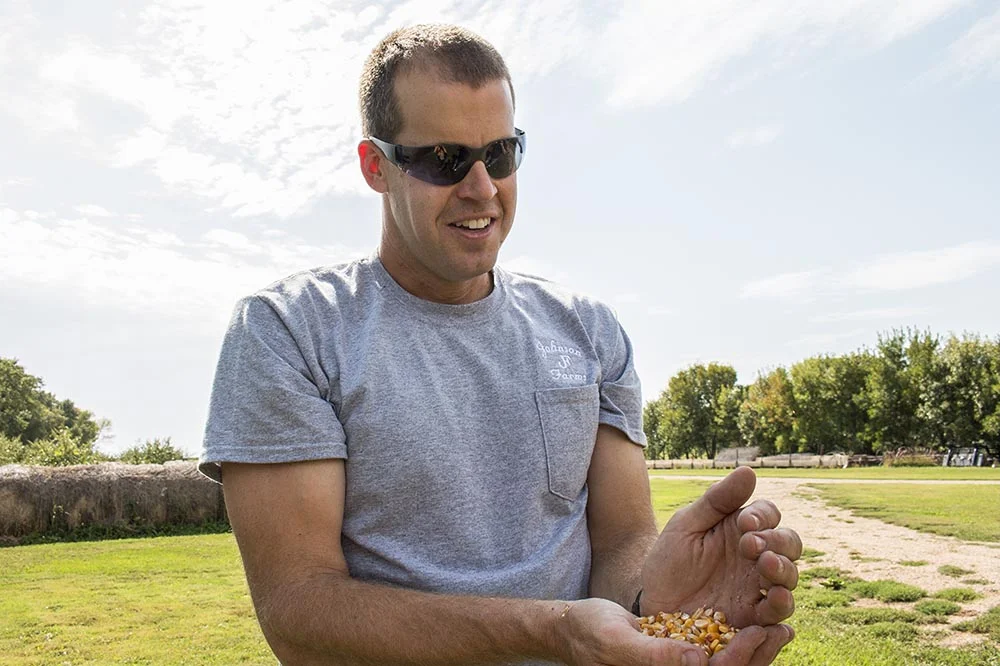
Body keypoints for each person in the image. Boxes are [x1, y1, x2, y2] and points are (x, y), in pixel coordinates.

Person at [200, 23, 801, 666]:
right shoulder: (290, 330)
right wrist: (549, 632)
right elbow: (300, 609)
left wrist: (659, 594)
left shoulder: (590, 331)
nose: (482, 188)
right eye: (444, 160)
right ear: (376, 167)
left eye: (502, 155)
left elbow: (620, 543)